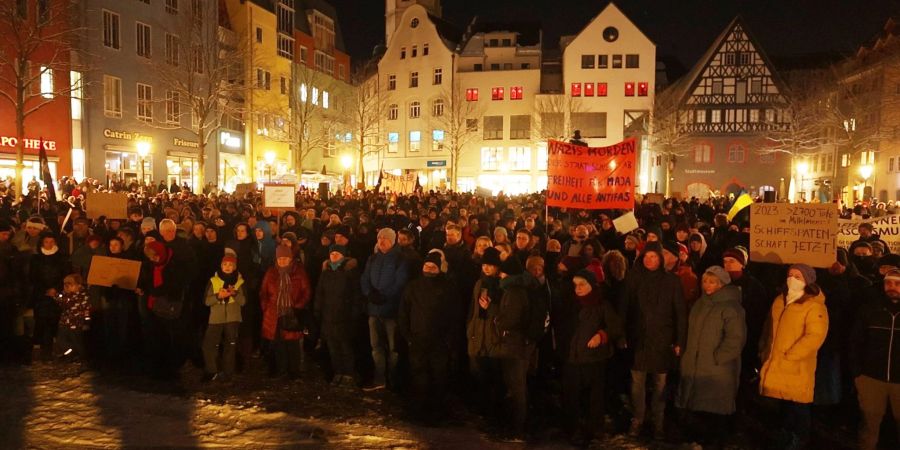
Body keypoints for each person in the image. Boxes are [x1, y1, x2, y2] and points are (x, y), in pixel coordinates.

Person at [759, 264, 828, 450]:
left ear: (808, 281)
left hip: (797, 364)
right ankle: (785, 435)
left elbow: (815, 335)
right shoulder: (779, 301)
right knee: (784, 404)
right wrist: (764, 350)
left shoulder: (814, 305)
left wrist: (792, 355)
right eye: (790, 275)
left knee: (799, 405)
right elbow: (769, 329)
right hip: (776, 361)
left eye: (798, 276)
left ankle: (800, 438)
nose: (792, 279)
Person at [676, 266, 746, 446]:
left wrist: (717, 358)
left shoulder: (731, 308)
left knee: (715, 412)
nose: (707, 285)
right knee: (700, 409)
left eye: (712, 282)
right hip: (697, 365)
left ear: (722, 284)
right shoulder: (700, 303)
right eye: (705, 281)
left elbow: (735, 339)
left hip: (717, 369)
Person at [624, 242, 687, 439]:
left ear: (660, 259)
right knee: (637, 383)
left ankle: (658, 421)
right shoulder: (634, 279)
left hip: (662, 340)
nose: (649, 260)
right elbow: (625, 308)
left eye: (653, 256)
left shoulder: (672, 281)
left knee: (660, 383)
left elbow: (680, 313)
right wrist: (622, 335)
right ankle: (638, 419)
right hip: (639, 340)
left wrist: (679, 341)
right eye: (646, 256)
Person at [556, 268, 623, 445]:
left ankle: (595, 428)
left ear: (591, 286)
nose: (577, 288)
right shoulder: (569, 303)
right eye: (575, 285)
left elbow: (615, 327)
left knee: (595, 396)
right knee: (572, 395)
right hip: (572, 357)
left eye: (582, 285)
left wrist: (601, 335)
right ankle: (573, 428)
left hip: (594, 358)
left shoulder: (602, 305)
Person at [399, 251, 458, 423]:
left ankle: (437, 412)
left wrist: (448, 339)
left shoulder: (448, 288)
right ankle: (418, 411)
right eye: (426, 266)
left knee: (438, 377)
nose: (429, 269)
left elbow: (454, 316)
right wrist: (407, 335)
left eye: (433, 267)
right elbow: (404, 312)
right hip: (417, 339)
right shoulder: (413, 286)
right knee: (419, 376)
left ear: (439, 269)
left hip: (439, 341)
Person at [849, 267, 900, 450]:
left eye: (897, 283)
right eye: (888, 282)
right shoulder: (869, 310)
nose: (891, 287)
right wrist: (858, 374)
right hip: (871, 379)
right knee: (869, 427)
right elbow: (855, 342)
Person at [360, 228, 409, 391]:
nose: (381, 241)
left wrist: (385, 296)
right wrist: (369, 294)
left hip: (391, 311)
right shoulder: (372, 258)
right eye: (379, 238)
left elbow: (400, 282)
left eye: (385, 238)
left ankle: (393, 379)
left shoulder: (400, 259)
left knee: (393, 348)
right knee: (376, 347)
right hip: (374, 310)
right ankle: (379, 378)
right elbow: (365, 278)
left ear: (393, 241)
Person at [259, 245, 311, 380]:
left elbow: (306, 292)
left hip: (291, 313)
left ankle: (294, 371)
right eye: (279, 258)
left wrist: (297, 307)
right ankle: (280, 370)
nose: (282, 261)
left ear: (290, 259)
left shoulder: (299, 272)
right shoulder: (271, 272)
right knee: (278, 344)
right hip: (274, 314)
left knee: (292, 344)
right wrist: (266, 307)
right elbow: (263, 292)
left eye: (285, 258)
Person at [314, 244, 362, 387]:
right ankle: (338, 372)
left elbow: (355, 294)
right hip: (328, 315)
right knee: (332, 346)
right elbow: (320, 293)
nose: (334, 255)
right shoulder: (326, 272)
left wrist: (354, 312)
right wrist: (318, 309)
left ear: (343, 256)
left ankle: (348, 374)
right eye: (332, 253)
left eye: (337, 253)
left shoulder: (350, 272)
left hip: (344, 315)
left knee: (345, 345)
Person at [201, 252, 245, 382]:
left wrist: (234, 294)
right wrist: (218, 297)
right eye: (225, 264)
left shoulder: (240, 282)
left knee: (230, 346)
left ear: (235, 267)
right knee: (209, 345)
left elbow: (243, 301)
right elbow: (206, 301)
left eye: (230, 265)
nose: (227, 267)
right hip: (216, 318)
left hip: (233, 318)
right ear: (221, 265)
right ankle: (211, 370)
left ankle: (228, 373)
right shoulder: (213, 281)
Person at [55, 273, 92, 360]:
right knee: (61, 341)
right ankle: (71, 354)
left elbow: (69, 304)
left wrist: (86, 323)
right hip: (64, 323)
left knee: (78, 343)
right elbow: (62, 301)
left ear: (78, 285)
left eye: (70, 284)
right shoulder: (65, 295)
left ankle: (82, 357)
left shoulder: (82, 296)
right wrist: (57, 295)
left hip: (76, 324)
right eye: (65, 284)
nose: (66, 286)